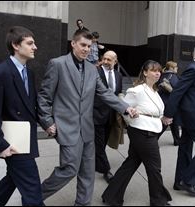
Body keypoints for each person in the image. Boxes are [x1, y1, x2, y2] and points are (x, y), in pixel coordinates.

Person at [37, 30, 137, 206]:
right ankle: (35, 197)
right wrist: (47, 121)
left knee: (88, 172)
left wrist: (125, 108)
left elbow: (105, 93)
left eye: (89, 47)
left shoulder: (92, 69)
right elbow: (44, 97)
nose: (86, 49)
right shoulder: (58, 64)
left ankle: (82, 203)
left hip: (88, 129)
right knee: (68, 170)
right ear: (73, 44)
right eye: (83, 45)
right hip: (67, 128)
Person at [0, 26, 44, 206]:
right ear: (16, 45)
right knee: (33, 193)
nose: (35, 47)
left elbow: (31, 106)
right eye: (30, 43)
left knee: (11, 181)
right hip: (12, 143)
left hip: (25, 140)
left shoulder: (29, 73)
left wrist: (47, 123)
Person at [102, 60, 172, 206]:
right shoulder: (136, 90)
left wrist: (162, 119)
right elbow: (123, 109)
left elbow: (155, 112)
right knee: (154, 168)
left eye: (159, 70)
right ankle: (158, 201)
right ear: (145, 72)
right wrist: (131, 116)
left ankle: (111, 195)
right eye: (153, 70)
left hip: (151, 130)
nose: (157, 73)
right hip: (142, 132)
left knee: (131, 163)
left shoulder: (155, 91)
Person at [162, 43, 195, 197]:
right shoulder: (193, 69)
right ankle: (188, 181)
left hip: (190, 116)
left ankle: (179, 181)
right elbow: (177, 93)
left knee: (185, 148)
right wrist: (168, 114)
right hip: (193, 117)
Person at [93, 50, 122, 183]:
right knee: (99, 144)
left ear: (115, 61)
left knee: (102, 142)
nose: (105, 62)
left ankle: (94, 162)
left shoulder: (118, 75)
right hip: (96, 114)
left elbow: (118, 93)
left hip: (111, 116)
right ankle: (106, 170)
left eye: (109, 60)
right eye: (104, 59)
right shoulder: (95, 72)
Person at [156, 61, 180, 146]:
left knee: (174, 123)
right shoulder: (173, 76)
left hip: (163, 102)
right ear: (171, 68)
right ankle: (154, 139)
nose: (177, 68)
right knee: (165, 123)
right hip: (170, 103)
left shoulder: (162, 75)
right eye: (176, 67)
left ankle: (177, 140)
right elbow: (177, 91)